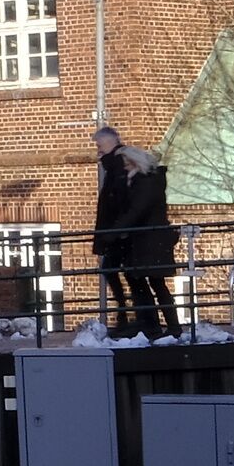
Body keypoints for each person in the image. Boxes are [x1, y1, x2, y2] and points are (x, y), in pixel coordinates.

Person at [91, 124, 182, 339]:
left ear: (131, 163)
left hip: (150, 241)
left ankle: (167, 327)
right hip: (145, 241)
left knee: (155, 284)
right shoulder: (142, 181)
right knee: (147, 283)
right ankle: (157, 326)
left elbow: (136, 211)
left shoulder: (146, 183)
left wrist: (113, 232)